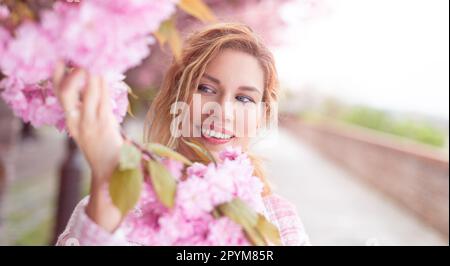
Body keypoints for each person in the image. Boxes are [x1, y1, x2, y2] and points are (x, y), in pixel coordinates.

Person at [54, 23, 310, 246]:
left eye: (244, 98)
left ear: (262, 116)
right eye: (206, 88)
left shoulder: (281, 221)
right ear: (177, 97)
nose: (222, 112)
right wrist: (108, 190)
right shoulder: (113, 208)